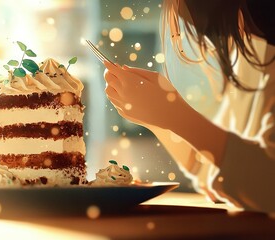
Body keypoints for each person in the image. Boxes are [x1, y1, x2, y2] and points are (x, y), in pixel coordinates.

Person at [103, 0, 275, 213]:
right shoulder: (252, 54)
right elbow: (212, 168)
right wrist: (158, 120)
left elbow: (265, 184)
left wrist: (174, 115)